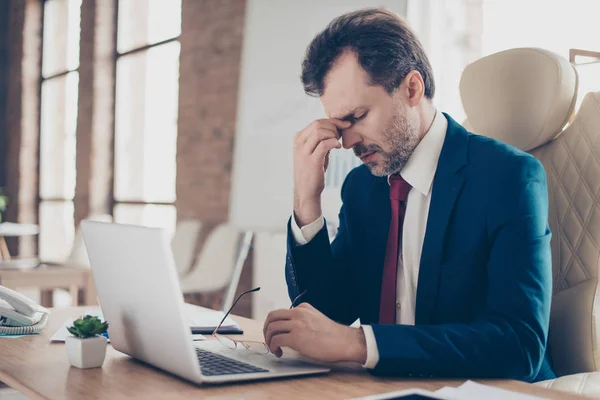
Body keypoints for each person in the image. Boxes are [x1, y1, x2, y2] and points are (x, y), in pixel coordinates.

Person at [262, 8, 555, 382]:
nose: (346, 141)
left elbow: (520, 344)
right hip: (383, 389)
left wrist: (359, 344)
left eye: (357, 116)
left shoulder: (507, 177)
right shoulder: (362, 188)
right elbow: (324, 315)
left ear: (412, 89)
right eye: (338, 125)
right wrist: (306, 202)